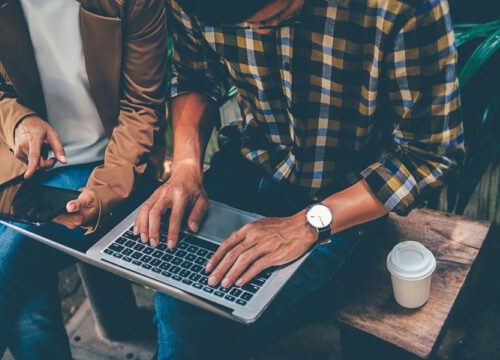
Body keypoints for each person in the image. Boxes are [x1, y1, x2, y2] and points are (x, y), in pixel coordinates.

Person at [140, 0, 465, 358]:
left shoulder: (404, 8)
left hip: (347, 196)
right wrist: (187, 166)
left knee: (204, 330)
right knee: (178, 303)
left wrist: (310, 223)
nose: (258, 31)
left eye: (274, 17)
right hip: (247, 164)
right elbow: (194, 75)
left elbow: (430, 153)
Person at [0, 0, 167, 358]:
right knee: (29, 308)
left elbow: (142, 107)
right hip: (14, 160)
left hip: (112, 162)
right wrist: (18, 121)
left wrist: (104, 191)